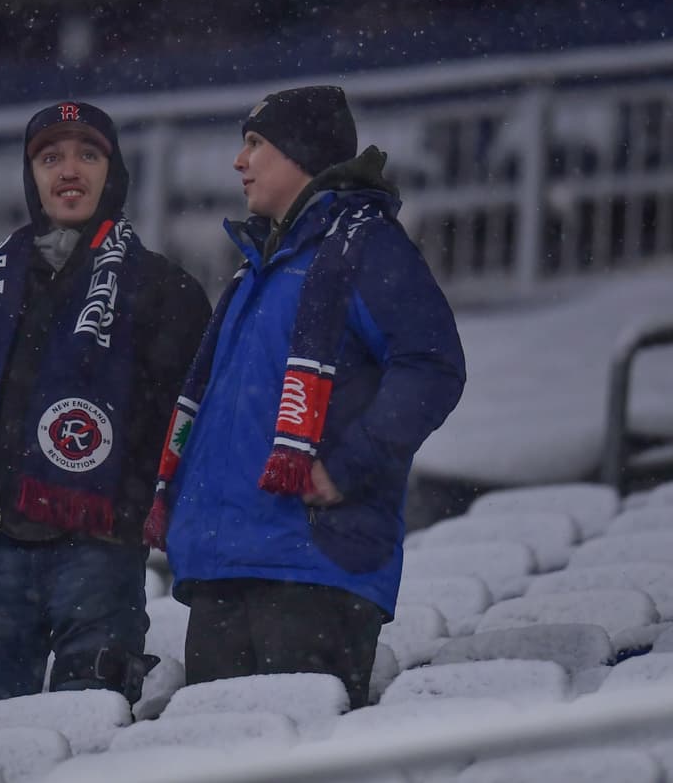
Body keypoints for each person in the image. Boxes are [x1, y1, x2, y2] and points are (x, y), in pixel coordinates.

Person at [144, 85, 466, 709]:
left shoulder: (366, 247)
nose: (239, 162)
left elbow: (432, 366)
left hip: (311, 568)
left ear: (302, 153)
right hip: (222, 571)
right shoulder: (257, 266)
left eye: (255, 144)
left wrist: (347, 467)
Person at [0, 100, 212, 712]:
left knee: (89, 744)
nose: (69, 170)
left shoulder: (162, 288)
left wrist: (129, 518)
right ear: (31, 176)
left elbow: (189, 421)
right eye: (51, 157)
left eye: (87, 154)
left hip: (99, 558)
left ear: (113, 171)